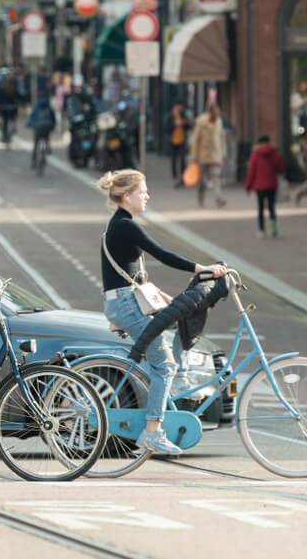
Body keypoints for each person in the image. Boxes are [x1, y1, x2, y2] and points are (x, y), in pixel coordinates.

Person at [98, 169, 227, 455]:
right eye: (142, 191)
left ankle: (157, 397)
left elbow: (130, 275)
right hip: (126, 305)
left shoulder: (118, 224)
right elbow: (161, 253)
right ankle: (152, 432)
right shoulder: (125, 225)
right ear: (127, 195)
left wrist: (163, 297)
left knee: (164, 349)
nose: (147, 195)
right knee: (166, 365)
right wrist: (202, 268)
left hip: (125, 301)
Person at [245, 135, 286, 238]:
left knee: (260, 208)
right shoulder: (275, 153)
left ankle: (261, 230)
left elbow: (251, 171)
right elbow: (281, 168)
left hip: (259, 186)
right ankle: (274, 228)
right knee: (272, 206)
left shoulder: (256, 154)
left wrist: (248, 186)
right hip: (272, 184)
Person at [189, 103, 226, 208]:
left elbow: (222, 138)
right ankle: (200, 199)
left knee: (216, 179)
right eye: (215, 113)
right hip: (202, 157)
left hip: (215, 156)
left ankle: (218, 199)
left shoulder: (219, 121)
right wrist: (194, 157)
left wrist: (223, 154)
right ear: (210, 112)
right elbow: (195, 140)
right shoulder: (201, 121)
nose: (216, 115)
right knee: (203, 182)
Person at [27, 94, 57, 167]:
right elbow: (53, 118)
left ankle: (34, 161)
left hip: (38, 128)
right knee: (46, 139)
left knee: (36, 144)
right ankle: (47, 148)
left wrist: (29, 124)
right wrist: (53, 126)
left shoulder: (36, 107)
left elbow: (32, 117)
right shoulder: (49, 107)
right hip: (47, 128)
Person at [168, 103, 190, 187]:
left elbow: (189, 125)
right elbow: (167, 128)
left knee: (182, 160)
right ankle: (175, 177)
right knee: (173, 161)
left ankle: (183, 178)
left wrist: (184, 123)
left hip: (182, 141)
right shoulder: (170, 117)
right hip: (173, 141)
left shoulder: (183, 115)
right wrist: (174, 124)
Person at [0, 76, 20, 147]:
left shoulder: (3, 88)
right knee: (11, 121)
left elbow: (0, 98)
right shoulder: (15, 89)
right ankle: (9, 134)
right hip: (12, 108)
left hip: (4, 108)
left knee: (4, 122)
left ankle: (5, 136)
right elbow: (18, 98)